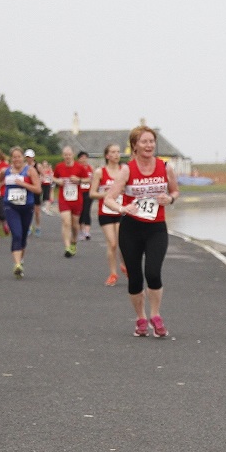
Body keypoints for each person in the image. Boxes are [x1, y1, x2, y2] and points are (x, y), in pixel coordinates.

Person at [102, 125, 180, 336]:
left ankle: (155, 315)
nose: (149, 145)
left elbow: (174, 191)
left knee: (153, 273)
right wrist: (122, 208)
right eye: (144, 142)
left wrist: (169, 199)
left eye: (151, 141)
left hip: (156, 228)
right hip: (131, 229)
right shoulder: (127, 170)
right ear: (134, 145)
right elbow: (108, 198)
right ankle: (140, 318)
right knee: (135, 277)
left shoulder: (165, 168)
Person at [0, 147, 43, 278]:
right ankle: (17, 264)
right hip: (10, 206)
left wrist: (23, 184)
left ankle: (20, 260)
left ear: (23, 158)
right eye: (14, 157)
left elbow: (38, 189)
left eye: (19, 157)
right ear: (11, 158)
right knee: (16, 234)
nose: (16, 159)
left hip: (26, 207)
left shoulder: (30, 171)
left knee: (23, 236)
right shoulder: (6, 171)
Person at [91, 143, 126, 286]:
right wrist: (106, 194)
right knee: (112, 244)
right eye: (113, 152)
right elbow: (92, 193)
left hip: (120, 210)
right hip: (105, 211)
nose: (117, 155)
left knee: (122, 243)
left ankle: (124, 264)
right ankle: (113, 273)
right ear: (107, 155)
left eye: (118, 152)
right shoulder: (100, 172)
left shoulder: (124, 171)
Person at [54, 145, 89, 257]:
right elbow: (53, 177)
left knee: (75, 225)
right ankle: (67, 247)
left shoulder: (80, 167)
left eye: (69, 155)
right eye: (65, 155)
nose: (67, 157)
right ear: (63, 156)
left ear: (73, 155)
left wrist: (79, 180)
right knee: (66, 222)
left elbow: (88, 179)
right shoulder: (59, 167)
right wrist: (58, 181)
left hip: (76, 199)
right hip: (63, 199)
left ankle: (74, 241)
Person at [24, 149, 43, 237]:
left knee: (37, 211)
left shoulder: (37, 166)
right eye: (27, 157)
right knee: (27, 209)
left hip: (35, 190)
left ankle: (38, 227)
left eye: (30, 157)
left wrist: (39, 181)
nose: (29, 159)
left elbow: (44, 175)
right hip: (27, 190)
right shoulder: (24, 166)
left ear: (33, 157)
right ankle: (28, 227)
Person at [77, 150, 94, 241]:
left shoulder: (90, 168)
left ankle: (87, 231)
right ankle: (81, 230)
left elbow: (93, 179)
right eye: (82, 158)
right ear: (79, 159)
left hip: (88, 192)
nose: (84, 159)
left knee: (87, 211)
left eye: (85, 158)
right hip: (79, 192)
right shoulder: (77, 168)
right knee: (81, 211)